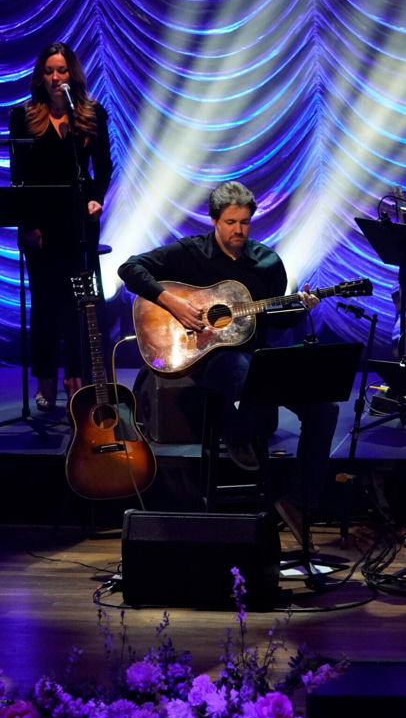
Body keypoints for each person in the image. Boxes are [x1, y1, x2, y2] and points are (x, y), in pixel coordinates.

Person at [117, 181, 338, 547]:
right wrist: (174, 303)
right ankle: (238, 434)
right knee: (239, 368)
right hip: (210, 358)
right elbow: (130, 268)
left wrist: (300, 307)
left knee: (325, 407)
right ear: (215, 220)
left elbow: (276, 322)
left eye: (245, 223)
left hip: (258, 357)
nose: (239, 231)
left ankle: (299, 500)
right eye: (231, 222)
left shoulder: (267, 262)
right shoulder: (190, 253)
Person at [8, 42, 113, 411]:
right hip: (41, 225)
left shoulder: (91, 113)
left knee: (79, 306)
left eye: (62, 71)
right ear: (41, 75)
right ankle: (46, 381)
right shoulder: (24, 116)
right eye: (50, 71)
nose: (55, 77)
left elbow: (104, 165)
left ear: (73, 75)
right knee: (45, 306)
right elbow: (19, 175)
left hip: (79, 224)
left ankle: (77, 378)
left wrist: (96, 197)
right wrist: (28, 224)